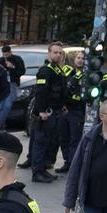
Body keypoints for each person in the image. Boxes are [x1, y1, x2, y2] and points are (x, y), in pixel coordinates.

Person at [28, 42, 67, 184]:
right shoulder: (45, 70)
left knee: (48, 142)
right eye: (55, 52)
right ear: (49, 54)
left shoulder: (57, 70)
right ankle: (37, 172)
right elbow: (41, 93)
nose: (58, 54)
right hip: (46, 113)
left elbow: (59, 91)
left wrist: (62, 106)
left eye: (60, 52)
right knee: (41, 142)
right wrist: (41, 111)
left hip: (55, 111)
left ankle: (43, 169)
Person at [57, 47, 87, 171]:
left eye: (83, 58)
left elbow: (82, 96)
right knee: (63, 138)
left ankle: (74, 165)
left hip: (77, 111)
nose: (80, 61)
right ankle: (67, 162)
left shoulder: (88, 75)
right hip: (65, 110)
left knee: (75, 139)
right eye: (78, 58)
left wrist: (70, 98)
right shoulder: (68, 72)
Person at [0, 42, 26, 133]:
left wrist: (12, 67)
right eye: (4, 53)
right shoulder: (0, 60)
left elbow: (22, 71)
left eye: (7, 53)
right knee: (0, 105)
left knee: (7, 105)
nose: (6, 55)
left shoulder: (17, 59)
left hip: (13, 84)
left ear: (10, 52)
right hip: (2, 85)